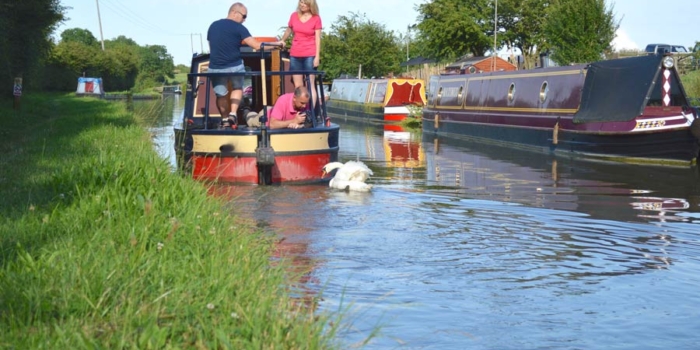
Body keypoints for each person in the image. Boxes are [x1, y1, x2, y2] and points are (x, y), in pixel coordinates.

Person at [207, 2, 284, 128]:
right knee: (237, 88)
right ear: (234, 13)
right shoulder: (238, 28)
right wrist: (278, 44)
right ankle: (233, 114)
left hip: (215, 67)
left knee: (221, 95)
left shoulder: (213, 26)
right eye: (244, 16)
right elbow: (257, 46)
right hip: (234, 65)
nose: (244, 20)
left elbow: (211, 48)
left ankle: (225, 120)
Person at [279, 0, 322, 110]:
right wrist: (282, 40)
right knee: (298, 86)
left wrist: (317, 56)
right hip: (295, 54)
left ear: (310, 5)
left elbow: (318, 38)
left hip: (310, 54)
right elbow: (289, 30)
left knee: (310, 84)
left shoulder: (316, 18)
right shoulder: (294, 16)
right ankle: (299, 111)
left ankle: (310, 112)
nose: (302, 5)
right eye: (301, 2)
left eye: (305, 3)